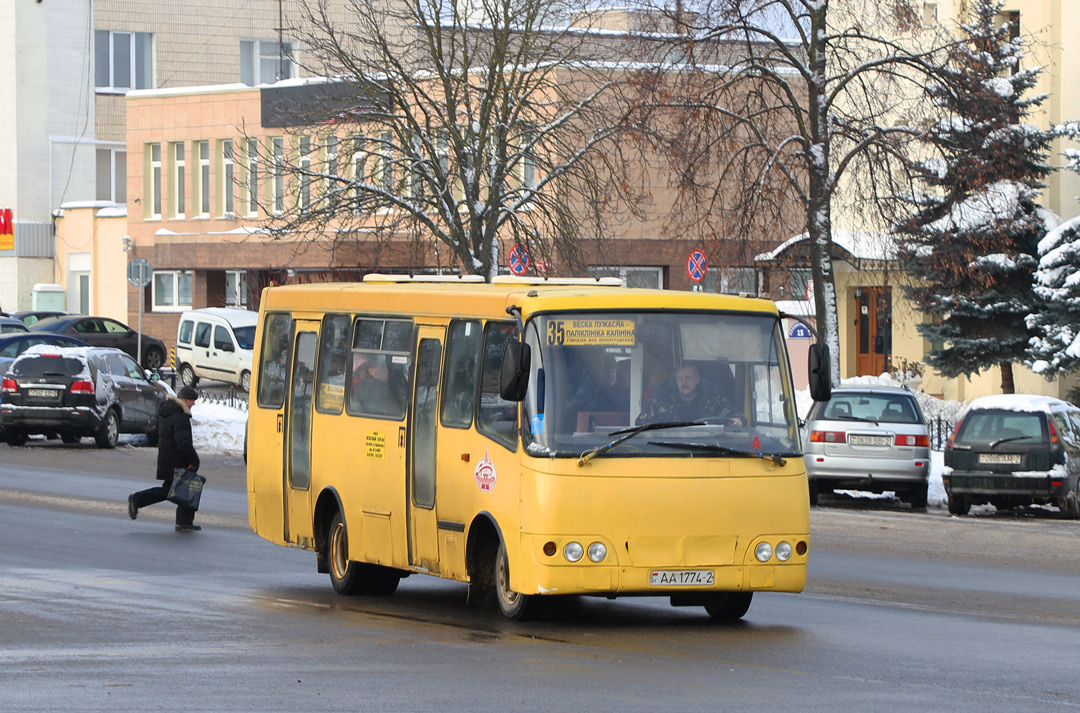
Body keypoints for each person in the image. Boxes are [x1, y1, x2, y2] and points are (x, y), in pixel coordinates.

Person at [128, 385, 202, 532]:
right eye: (193, 401)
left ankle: (184, 521)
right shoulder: (181, 417)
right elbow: (183, 444)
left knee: (180, 488)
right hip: (178, 460)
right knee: (175, 489)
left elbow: (156, 435)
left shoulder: (166, 412)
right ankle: (137, 499)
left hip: (167, 458)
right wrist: (194, 460)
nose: (193, 404)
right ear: (186, 401)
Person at [637, 364, 743, 425]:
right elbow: (640, 424)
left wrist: (739, 420)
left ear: (697, 380)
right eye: (680, 379)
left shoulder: (714, 401)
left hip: (706, 452)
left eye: (687, 378)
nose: (683, 382)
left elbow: (736, 416)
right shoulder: (660, 401)